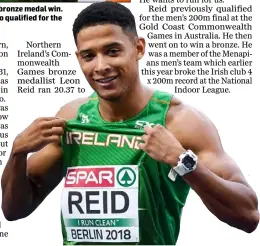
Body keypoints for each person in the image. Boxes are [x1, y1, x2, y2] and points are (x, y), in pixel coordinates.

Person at [1, 1, 259, 245]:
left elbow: (248, 215)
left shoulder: (180, 122)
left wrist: (183, 162)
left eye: (112, 51)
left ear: (138, 48)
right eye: (89, 56)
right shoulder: (71, 119)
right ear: (79, 58)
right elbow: (14, 210)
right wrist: (17, 153)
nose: (100, 66)